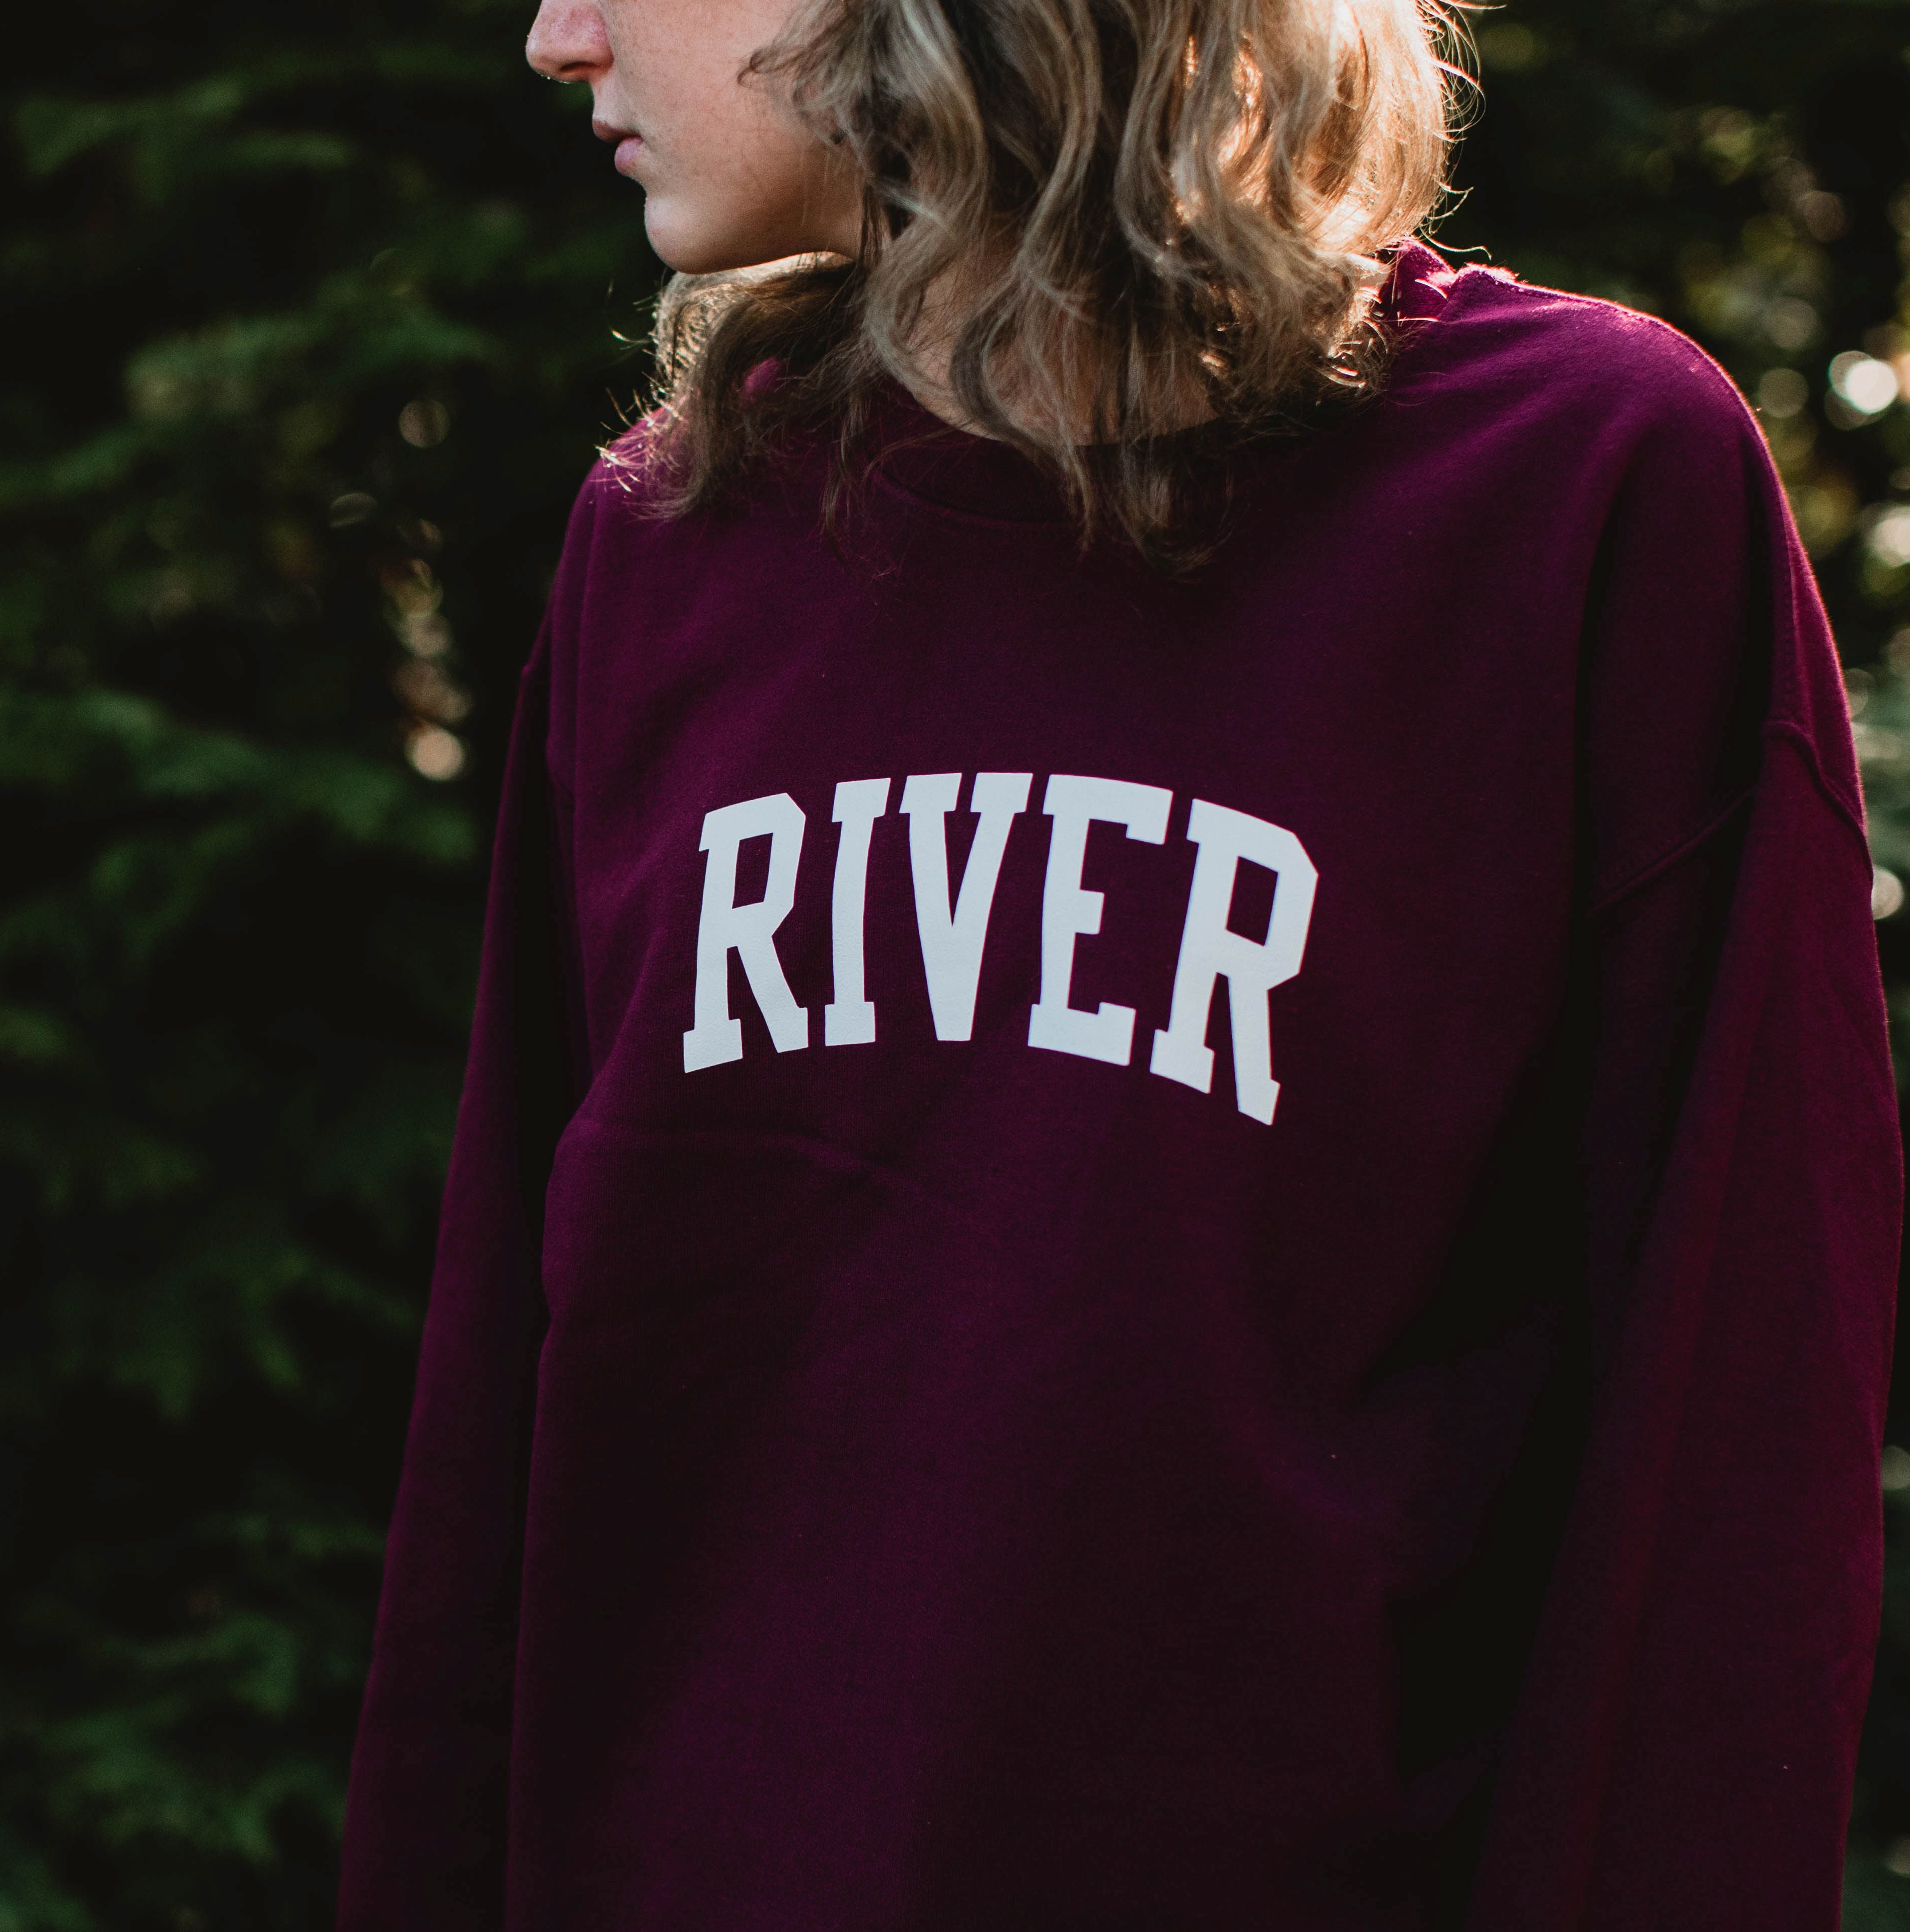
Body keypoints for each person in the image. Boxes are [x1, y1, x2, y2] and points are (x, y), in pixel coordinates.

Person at [338, 0, 1903, 1925]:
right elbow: (500, 1421)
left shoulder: (1578, 492)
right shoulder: (670, 538)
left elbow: (1724, 1485)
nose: (552, 36)